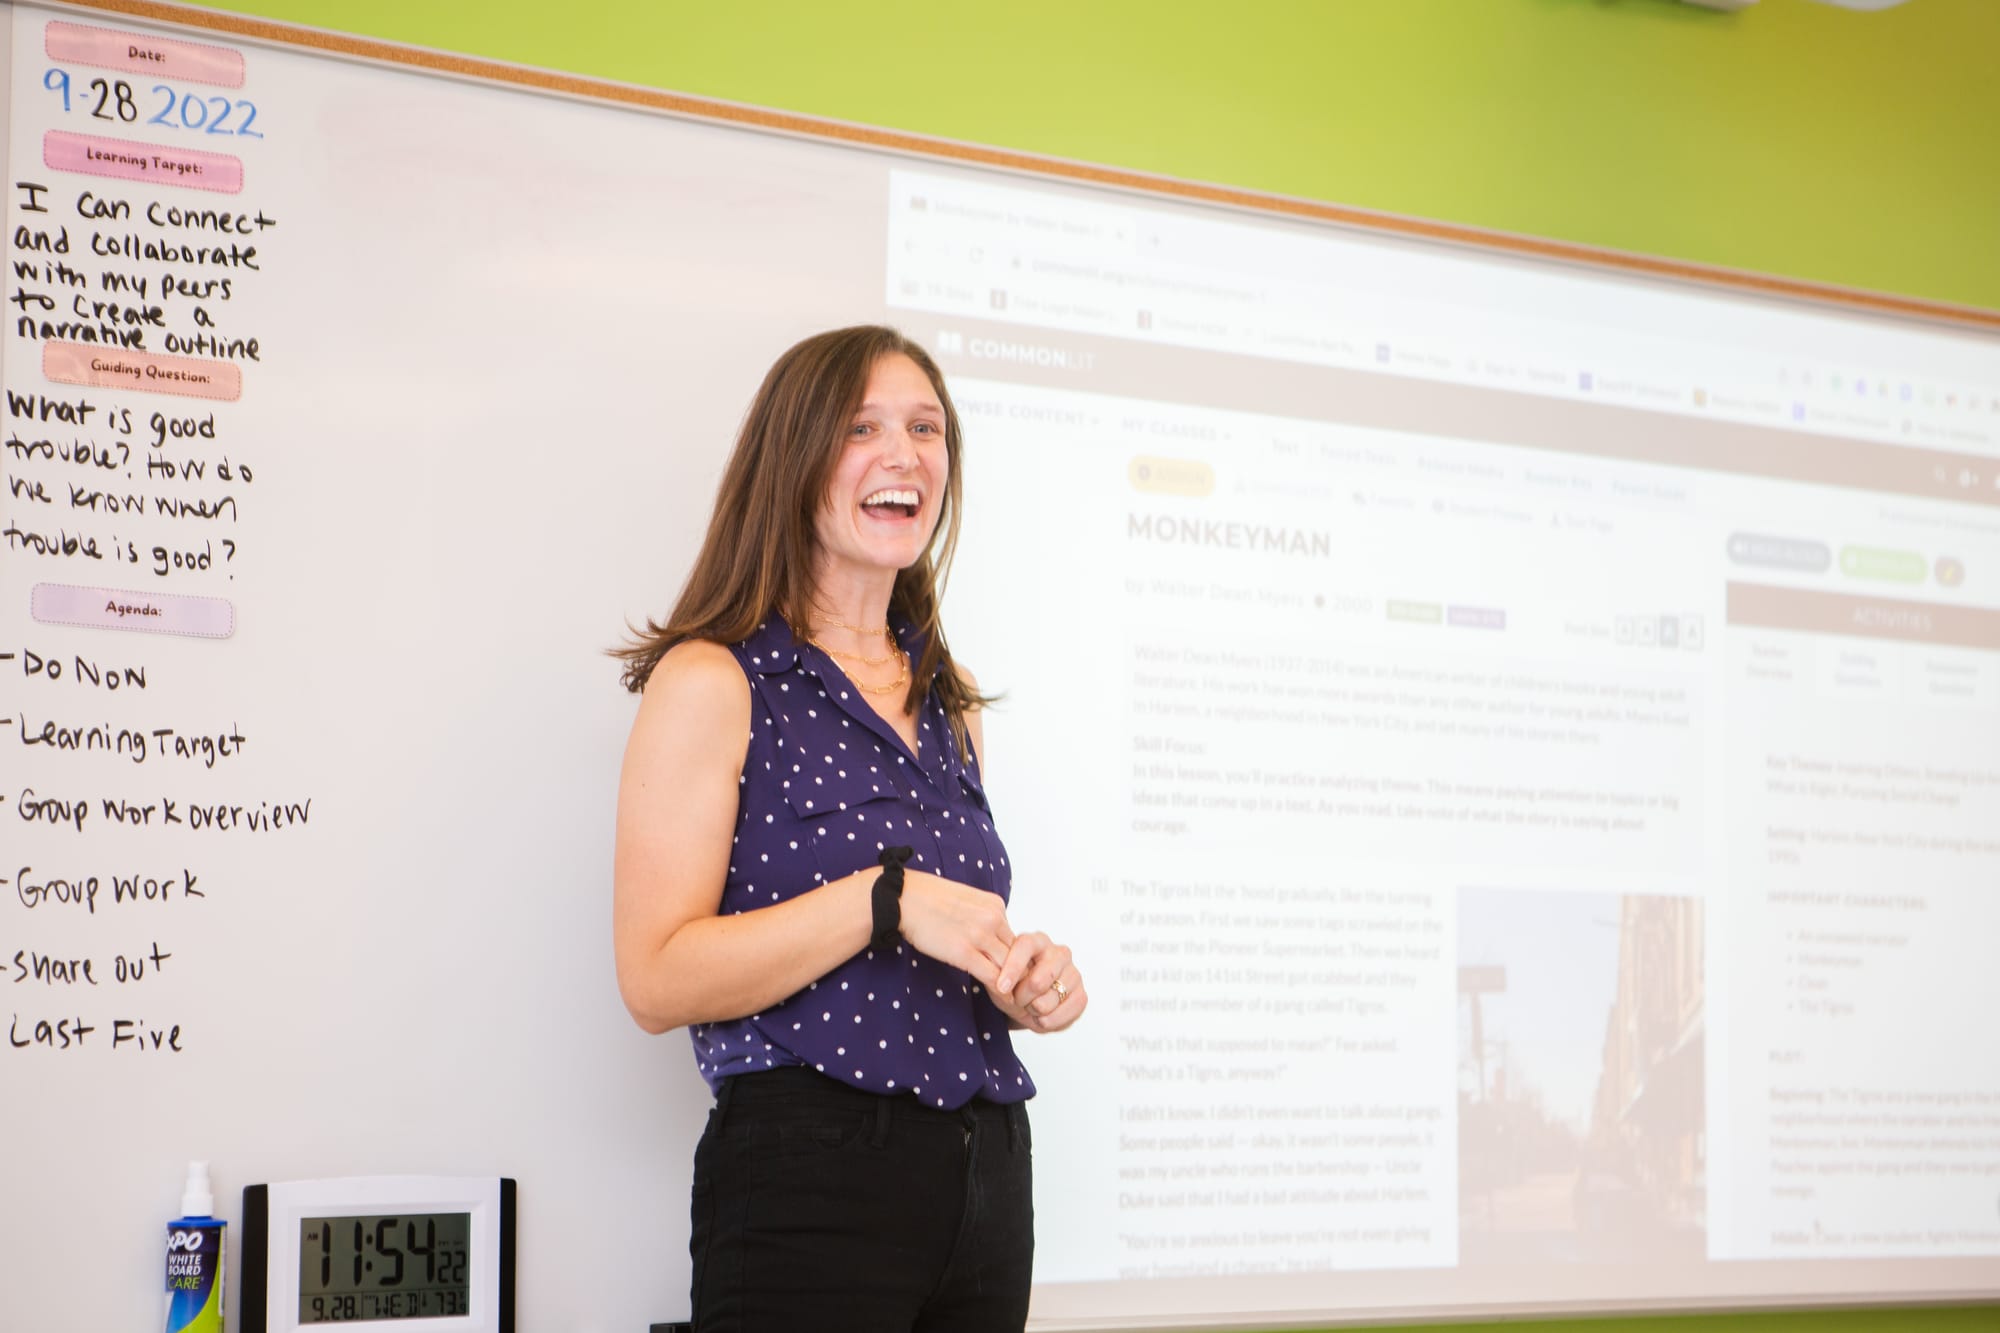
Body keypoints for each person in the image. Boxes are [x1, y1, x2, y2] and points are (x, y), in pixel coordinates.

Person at [612, 325, 1086, 1333]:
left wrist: (1023, 978)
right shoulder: (715, 680)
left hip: (988, 1169)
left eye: (925, 427)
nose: (904, 453)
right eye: (862, 426)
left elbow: (946, 941)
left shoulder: (950, 708)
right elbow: (653, 977)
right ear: (794, 458)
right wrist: (885, 903)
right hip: (809, 1179)